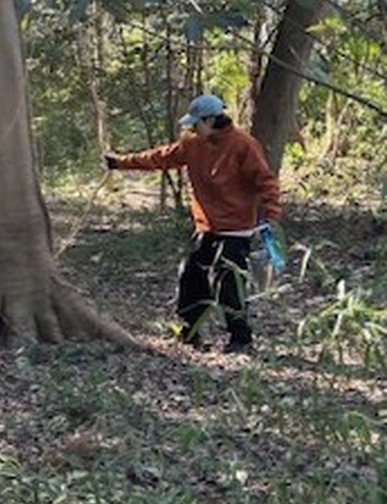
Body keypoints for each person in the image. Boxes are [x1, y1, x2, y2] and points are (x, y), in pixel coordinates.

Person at [104, 94, 283, 354]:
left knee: (229, 284)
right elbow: (159, 157)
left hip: (236, 229)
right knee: (191, 277)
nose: (191, 128)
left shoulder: (244, 145)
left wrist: (271, 218)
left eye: (196, 123)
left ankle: (241, 339)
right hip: (206, 228)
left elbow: (266, 182)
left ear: (211, 120)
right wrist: (120, 163)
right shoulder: (192, 145)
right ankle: (190, 331)